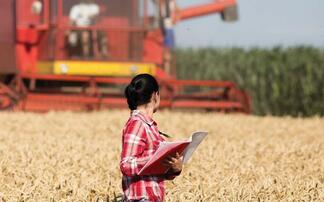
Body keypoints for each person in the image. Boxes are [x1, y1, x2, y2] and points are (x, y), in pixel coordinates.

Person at [120, 74, 183, 202]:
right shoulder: (137, 124)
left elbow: (154, 171)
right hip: (141, 198)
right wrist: (156, 158)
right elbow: (126, 164)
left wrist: (175, 168)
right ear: (155, 95)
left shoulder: (149, 126)